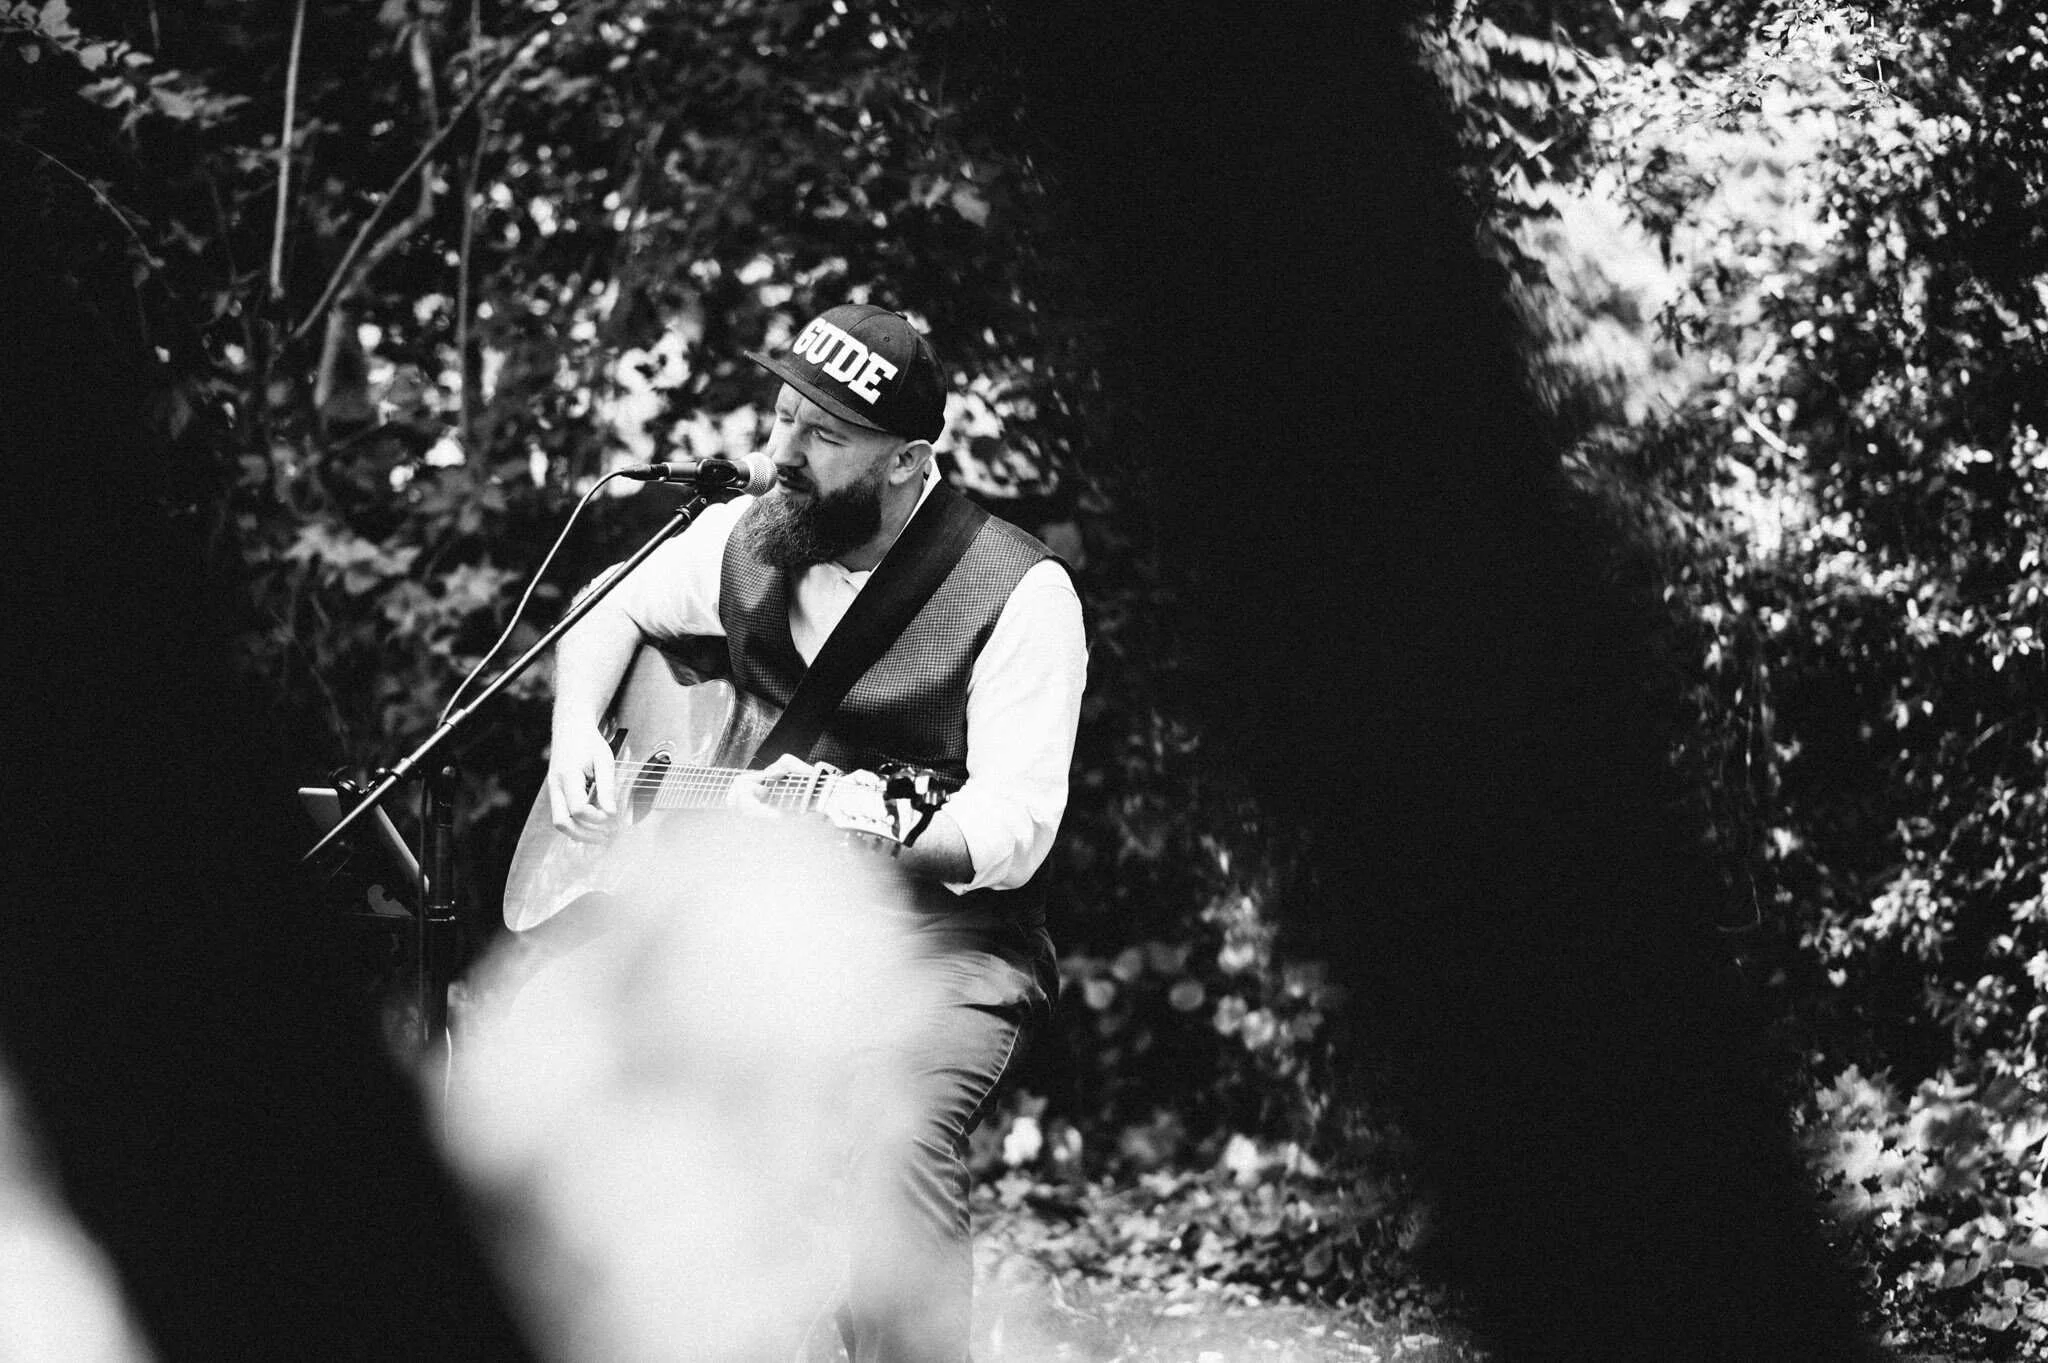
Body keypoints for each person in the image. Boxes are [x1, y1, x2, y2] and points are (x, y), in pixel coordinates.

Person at [541, 302, 1088, 1362]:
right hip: (746, 930)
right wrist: (575, 733)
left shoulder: (1019, 593)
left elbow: (1013, 823)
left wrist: (870, 839)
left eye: (822, 435)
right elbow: (608, 607)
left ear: (906, 462)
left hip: (939, 945)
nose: (778, 453)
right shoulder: (750, 533)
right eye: (784, 415)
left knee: (894, 1138)